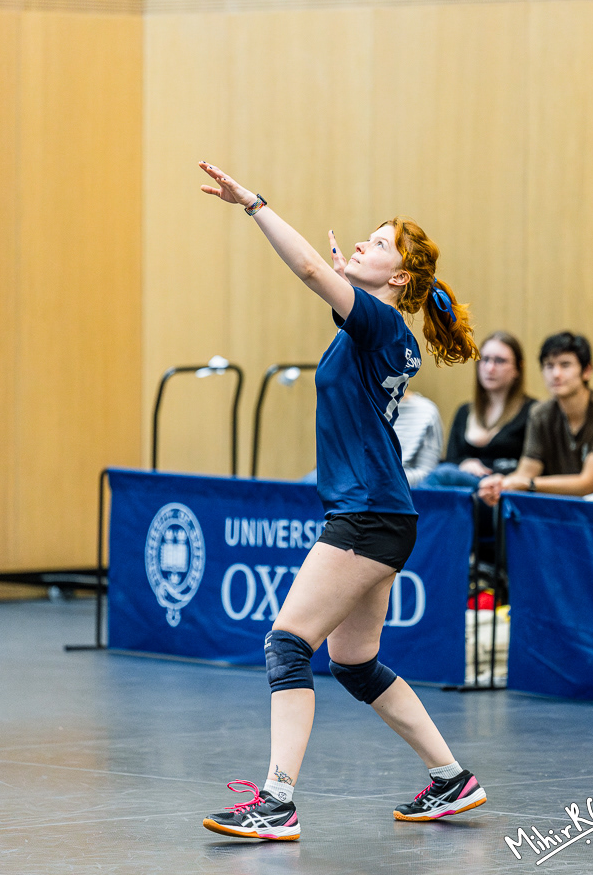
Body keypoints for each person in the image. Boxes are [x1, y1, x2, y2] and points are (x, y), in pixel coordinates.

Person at [198, 160, 486, 841]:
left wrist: (254, 204)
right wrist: (344, 284)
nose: (361, 244)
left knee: (285, 646)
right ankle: (451, 780)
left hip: (366, 514)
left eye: (377, 243)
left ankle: (276, 802)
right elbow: (329, 290)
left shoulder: (385, 328)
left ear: (400, 278)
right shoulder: (370, 331)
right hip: (378, 513)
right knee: (353, 664)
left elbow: (305, 271)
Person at [478, 331, 593, 506]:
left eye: (565, 365)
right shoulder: (541, 414)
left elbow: (588, 484)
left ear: (587, 371)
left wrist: (529, 484)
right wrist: (500, 483)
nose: (556, 374)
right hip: (567, 511)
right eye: (549, 366)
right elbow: (526, 473)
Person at [416, 331, 535, 490]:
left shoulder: (532, 411)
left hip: (503, 487)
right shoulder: (465, 411)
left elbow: (532, 464)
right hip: (464, 487)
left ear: (518, 369)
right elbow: (452, 459)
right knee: (444, 473)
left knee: (443, 475)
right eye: (484, 360)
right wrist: (465, 463)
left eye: (499, 361)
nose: (489, 368)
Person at [301, 388, 444, 487]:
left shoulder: (426, 412)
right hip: (352, 483)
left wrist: (381, 479)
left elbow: (428, 476)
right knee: (309, 483)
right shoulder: (353, 405)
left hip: (399, 488)